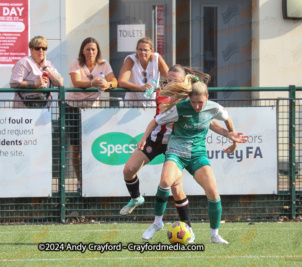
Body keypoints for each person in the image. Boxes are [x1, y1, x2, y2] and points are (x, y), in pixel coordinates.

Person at [121, 65, 240, 243]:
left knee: (179, 189)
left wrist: (232, 137)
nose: (171, 83)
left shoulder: (193, 97)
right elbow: (155, 120)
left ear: (185, 81)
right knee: (130, 169)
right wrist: (144, 137)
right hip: (161, 141)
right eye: (168, 80)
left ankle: (191, 229)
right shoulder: (165, 93)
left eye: (175, 81)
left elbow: (210, 120)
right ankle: (139, 201)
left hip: (184, 146)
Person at [67, 37, 118, 192]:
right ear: (83, 50)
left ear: (97, 51)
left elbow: (114, 81)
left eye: (93, 49)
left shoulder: (104, 64)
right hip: (74, 108)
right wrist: (93, 83)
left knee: (92, 146)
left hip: (92, 111)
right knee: (76, 148)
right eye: (88, 49)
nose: (90, 52)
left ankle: (93, 181)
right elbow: (76, 83)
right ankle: (80, 181)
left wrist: (107, 84)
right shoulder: (76, 63)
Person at [10, 35, 63, 108]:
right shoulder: (24, 62)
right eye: (37, 48)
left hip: (44, 109)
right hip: (24, 108)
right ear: (31, 49)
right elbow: (14, 83)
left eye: (44, 48)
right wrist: (35, 84)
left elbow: (59, 82)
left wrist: (45, 67)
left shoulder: (48, 64)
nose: (41, 50)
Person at [118, 37, 169, 107]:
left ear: (152, 51)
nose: (142, 52)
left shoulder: (157, 58)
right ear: (136, 50)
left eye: (146, 50)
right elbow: (121, 82)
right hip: (132, 105)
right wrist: (140, 87)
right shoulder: (130, 59)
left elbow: (169, 78)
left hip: (152, 104)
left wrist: (161, 90)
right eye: (140, 49)